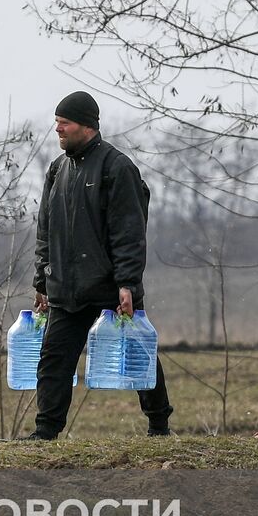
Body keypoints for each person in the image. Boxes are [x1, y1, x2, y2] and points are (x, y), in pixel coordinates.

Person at [27, 90, 173, 440]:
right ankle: (45, 432)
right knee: (54, 361)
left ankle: (159, 425)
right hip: (65, 287)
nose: (58, 129)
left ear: (86, 126)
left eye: (65, 123)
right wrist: (42, 281)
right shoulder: (57, 170)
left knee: (138, 354)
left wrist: (128, 285)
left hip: (109, 287)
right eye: (57, 123)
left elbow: (129, 232)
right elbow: (45, 229)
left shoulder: (117, 168)